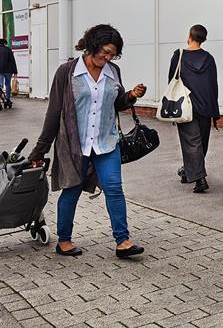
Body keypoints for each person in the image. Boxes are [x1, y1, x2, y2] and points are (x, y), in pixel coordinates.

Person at [26, 24, 148, 259]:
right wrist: (38, 152)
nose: (108, 57)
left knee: (114, 189)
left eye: (112, 53)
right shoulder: (67, 72)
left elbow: (117, 103)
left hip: (106, 143)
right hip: (75, 145)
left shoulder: (113, 71)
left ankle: (122, 241)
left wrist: (131, 96)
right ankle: (64, 240)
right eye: (105, 51)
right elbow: (53, 114)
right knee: (71, 191)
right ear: (92, 46)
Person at [168, 24, 220, 194]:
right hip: (206, 105)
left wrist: (172, 107)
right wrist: (215, 113)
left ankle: (199, 179)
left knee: (192, 143)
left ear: (189, 36)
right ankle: (187, 172)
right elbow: (213, 85)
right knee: (201, 143)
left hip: (186, 106)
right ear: (203, 39)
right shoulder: (209, 58)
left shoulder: (179, 56)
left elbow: (172, 81)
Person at [0, 37, 18, 105]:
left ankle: (0, 99)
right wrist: (15, 71)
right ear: (4, 43)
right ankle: (7, 99)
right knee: (8, 85)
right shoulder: (8, 50)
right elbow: (12, 61)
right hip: (8, 70)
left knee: (0, 86)